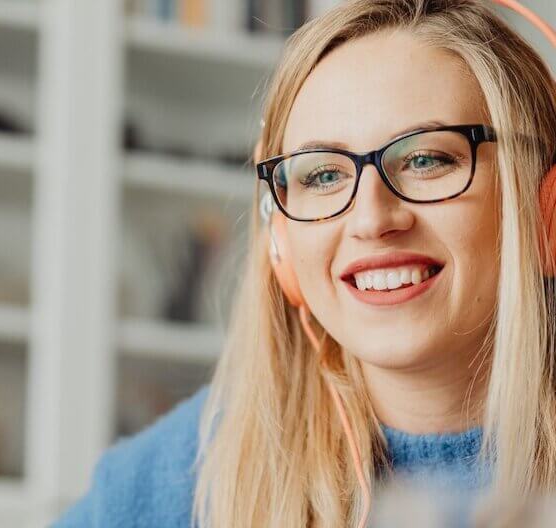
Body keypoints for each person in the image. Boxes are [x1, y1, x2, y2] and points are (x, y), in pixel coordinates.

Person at [54, 0, 556, 526]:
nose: (371, 219)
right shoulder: (191, 465)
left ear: (546, 214)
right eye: (323, 175)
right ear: (281, 242)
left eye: (426, 159)